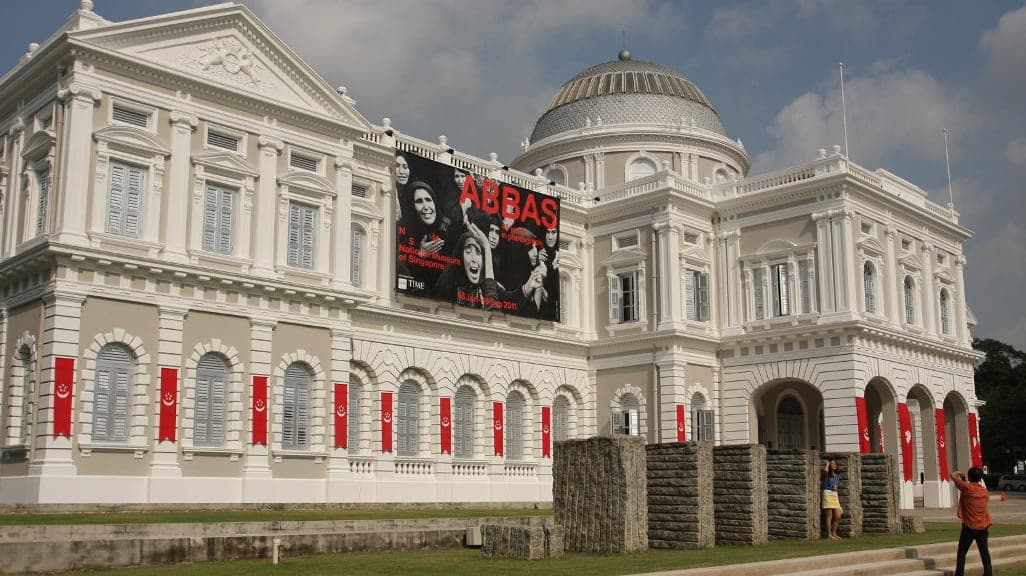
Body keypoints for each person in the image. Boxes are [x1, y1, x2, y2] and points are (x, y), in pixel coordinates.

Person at [951, 467, 992, 576]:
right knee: (984, 553)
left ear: (970, 477)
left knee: (962, 553)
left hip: (970, 526)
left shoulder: (967, 488)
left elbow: (953, 476)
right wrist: (965, 481)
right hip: (983, 526)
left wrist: (959, 473)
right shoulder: (984, 491)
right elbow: (966, 488)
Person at [822, 459, 843, 540]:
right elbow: (825, 470)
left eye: (835, 464)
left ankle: (834, 533)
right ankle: (829, 535)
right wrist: (827, 464)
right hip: (827, 493)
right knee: (829, 516)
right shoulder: (827, 474)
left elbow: (836, 487)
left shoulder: (837, 476)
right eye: (832, 464)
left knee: (838, 516)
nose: (833, 465)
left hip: (834, 495)